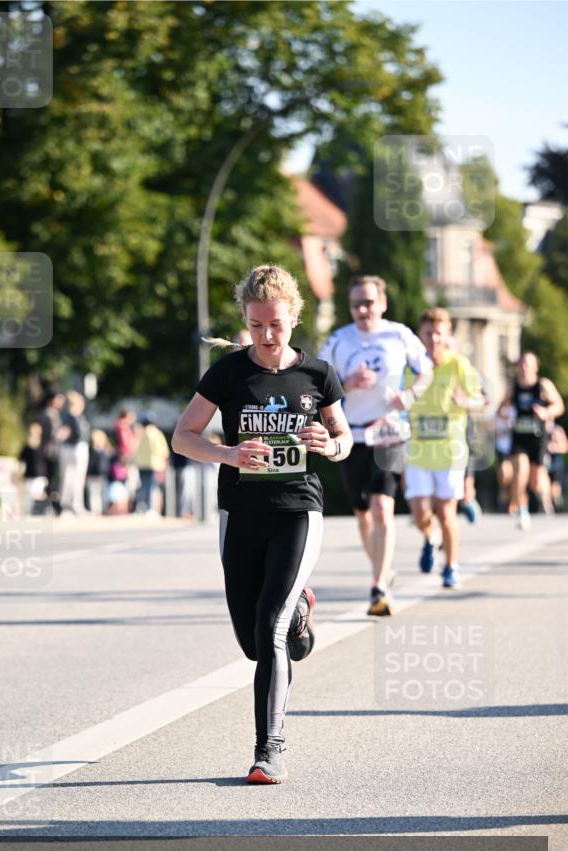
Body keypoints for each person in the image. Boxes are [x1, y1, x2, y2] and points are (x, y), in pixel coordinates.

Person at [172, 264, 352, 784]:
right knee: (253, 640)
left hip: (298, 508)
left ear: (293, 318)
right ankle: (300, 613)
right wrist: (230, 453)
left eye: (276, 325)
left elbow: (343, 438)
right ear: (245, 322)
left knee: (267, 629)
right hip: (240, 513)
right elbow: (183, 436)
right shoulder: (228, 374)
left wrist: (331, 445)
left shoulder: (318, 374)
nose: (267, 337)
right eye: (256, 326)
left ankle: (267, 751)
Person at [318, 275, 432, 615]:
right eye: (356, 304)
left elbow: (425, 371)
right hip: (351, 434)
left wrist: (410, 395)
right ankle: (382, 570)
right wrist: (347, 382)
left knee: (383, 507)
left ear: (382, 303)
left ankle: (379, 586)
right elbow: (318, 383)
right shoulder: (339, 340)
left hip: (390, 431)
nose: (363, 310)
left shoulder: (398, 334)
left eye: (369, 303)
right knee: (363, 513)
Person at [404, 309, 485, 589]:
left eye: (439, 333)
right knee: (419, 514)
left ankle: (450, 566)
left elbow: (481, 401)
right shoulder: (410, 367)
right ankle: (430, 537)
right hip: (417, 451)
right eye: (428, 333)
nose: (434, 339)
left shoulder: (458, 364)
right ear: (420, 335)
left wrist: (466, 401)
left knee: (447, 512)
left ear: (447, 335)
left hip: (451, 452)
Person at [498, 353, 564, 528]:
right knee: (520, 471)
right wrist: (504, 416)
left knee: (535, 481)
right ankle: (522, 510)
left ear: (536, 367)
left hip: (537, 438)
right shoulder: (513, 387)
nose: (524, 367)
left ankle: (545, 500)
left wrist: (546, 412)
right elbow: (501, 408)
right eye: (521, 364)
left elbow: (559, 406)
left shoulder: (542, 385)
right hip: (519, 437)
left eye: (528, 364)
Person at [58, 390, 90, 515]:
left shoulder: (77, 416)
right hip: (73, 448)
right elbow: (64, 433)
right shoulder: (70, 416)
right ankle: (69, 505)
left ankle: (74, 504)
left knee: (73, 477)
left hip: (75, 447)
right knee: (71, 477)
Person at [135, 412, 170, 515]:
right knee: (152, 487)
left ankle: (142, 507)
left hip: (141, 464)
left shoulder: (140, 433)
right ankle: (150, 509)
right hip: (154, 464)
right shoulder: (157, 433)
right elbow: (163, 451)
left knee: (143, 486)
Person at [19, 421, 48, 515]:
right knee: (28, 496)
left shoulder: (42, 446)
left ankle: (42, 510)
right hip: (29, 475)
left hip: (39, 475)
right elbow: (21, 462)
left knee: (36, 494)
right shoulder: (26, 448)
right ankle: (29, 513)